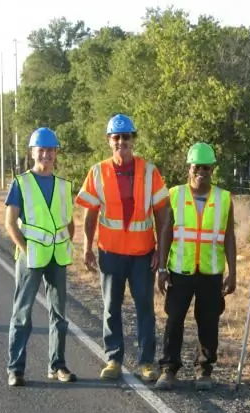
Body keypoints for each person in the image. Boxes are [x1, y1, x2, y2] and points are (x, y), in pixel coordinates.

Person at [75, 114, 169, 381]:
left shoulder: (150, 171)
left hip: (142, 255)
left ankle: (147, 362)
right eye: (116, 137)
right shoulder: (97, 171)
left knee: (145, 309)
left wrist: (161, 253)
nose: (121, 142)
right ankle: (113, 358)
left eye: (126, 137)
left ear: (133, 140)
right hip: (110, 253)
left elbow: (163, 215)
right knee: (110, 307)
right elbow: (90, 214)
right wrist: (87, 247)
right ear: (109, 141)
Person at [155, 143, 236, 390]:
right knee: (174, 319)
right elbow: (166, 232)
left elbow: (229, 236)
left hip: (211, 273)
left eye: (206, 167)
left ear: (213, 169)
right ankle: (169, 368)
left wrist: (233, 272)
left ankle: (205, 370)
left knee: (209, 322)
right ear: (189, 168)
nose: (202, 171)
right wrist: (161, 268)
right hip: (180, 270)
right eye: (197, 167)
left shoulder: (224, 198)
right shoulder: (175, 194)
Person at [4, 127, 76, 387]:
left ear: (56, 153)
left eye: (50, 150)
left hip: (57, 257)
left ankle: (57, 365)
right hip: (30, 257)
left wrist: (66, 245)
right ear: (33, 152)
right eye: (41, 150)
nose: (46, 154)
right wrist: (25, 250)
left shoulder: (64, 186)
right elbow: (10, 223)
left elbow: (70, 222)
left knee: (59, 314)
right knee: (22, 313)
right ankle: (16, 369)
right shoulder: (21, 183)